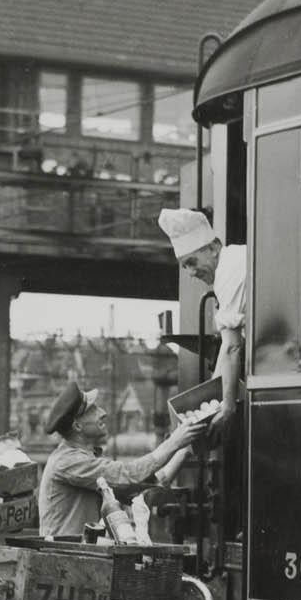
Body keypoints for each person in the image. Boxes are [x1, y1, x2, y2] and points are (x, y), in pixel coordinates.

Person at [37, 381, 205, 539]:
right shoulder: (67, 462)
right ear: (77, 426)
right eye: (93, 409)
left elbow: (140, 489)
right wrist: (174, 442)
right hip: (63, 560)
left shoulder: (82, 460)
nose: (103, 413)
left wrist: (184, 450)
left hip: (78, 556)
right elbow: (129, 474)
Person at [157, 208, 246, 433]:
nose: (191, 272)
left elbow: (233, 346)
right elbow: (228, 350)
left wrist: (226, 407)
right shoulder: (229, 267)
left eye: (192, 261)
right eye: (185, 265)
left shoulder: (231, 268)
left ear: (213, 248)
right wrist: (211, 402)